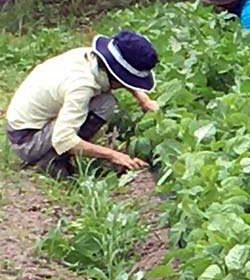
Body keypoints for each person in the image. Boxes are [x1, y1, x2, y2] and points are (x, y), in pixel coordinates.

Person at [4, 30, 158, 178]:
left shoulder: (90, 57)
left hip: (27, 123)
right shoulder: (81, 87)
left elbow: (117, 74)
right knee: (105, 104)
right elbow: (63, 139)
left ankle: (65, 153)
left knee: (105, 102)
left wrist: (144, 99)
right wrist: (114, 156)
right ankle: (52, 160)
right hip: (27, 140)